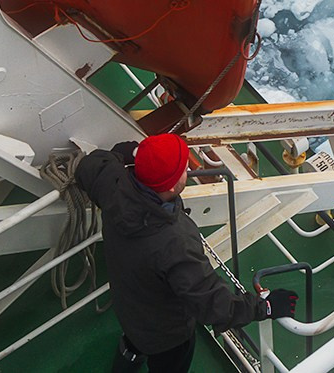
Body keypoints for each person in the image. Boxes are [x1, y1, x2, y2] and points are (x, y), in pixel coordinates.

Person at [75, 133, 297, 372]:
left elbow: (89, 165)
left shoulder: (113, 184)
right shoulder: (175, 242)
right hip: (167, 336)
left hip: (128, 308)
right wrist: (265, 307)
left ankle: (128, 358)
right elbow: (213, 305)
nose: (188, 170)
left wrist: (127, 154)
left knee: (135, 339)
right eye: (183, 168)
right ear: (172, 186)